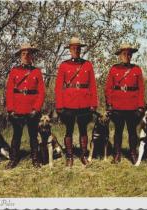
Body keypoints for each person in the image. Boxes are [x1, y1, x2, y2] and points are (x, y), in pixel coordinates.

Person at [55, 37, 98, 167]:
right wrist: (59, 105)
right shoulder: (64, 65)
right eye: (73, 48)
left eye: (78, 48)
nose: (76, 50)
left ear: (81, 50)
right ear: (70, 50)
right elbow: (58, 87)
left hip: (84, 102)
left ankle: (84, 155)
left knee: (83, 129)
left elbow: (92, 86)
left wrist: (93, 103)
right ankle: (69, 156)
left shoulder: (87, 64)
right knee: (69, 130)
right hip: (69, 102)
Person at [6, 43, 45, 169]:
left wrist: (36, 108)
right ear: (20, 56)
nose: (26, 56)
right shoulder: (14, 71)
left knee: (34, 136)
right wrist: (11, 109)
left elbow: (41, 92)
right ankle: (13, 159)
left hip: (32, 108)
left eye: (28, 54)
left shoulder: (37, 72)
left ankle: (35, 159)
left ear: (31, 56)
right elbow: (10, 91)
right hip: (17, 108)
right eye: (23, 54)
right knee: (16, 135)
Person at [105, 43, 145, 164]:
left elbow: (141, 89)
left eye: (129, 54)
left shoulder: (136, 69)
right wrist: (109, 104)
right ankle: (117, 154)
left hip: (132, 105)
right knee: (118, 131)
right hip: (118, 105)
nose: (126, 56)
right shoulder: (114, 69)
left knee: (132, 132)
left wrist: (140, 106)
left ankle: (133, 153)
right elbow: (108, 88)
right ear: (120, 56)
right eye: (124, 54)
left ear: (131, 56)